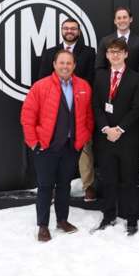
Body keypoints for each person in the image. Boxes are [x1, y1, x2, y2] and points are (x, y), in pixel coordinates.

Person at [21, 49, 93, 242]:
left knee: (64, 185)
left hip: (71, 147)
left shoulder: (83, 86)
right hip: (46, 147)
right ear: (54, 64)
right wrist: (34, 143)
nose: (65, 66)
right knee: (45, 187)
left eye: (69, 63)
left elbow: (88, 116)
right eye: (61, 63)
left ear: (74, 65)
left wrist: (82, 138)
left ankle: (62, 220)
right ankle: (43, 226)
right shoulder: (40, 87)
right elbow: (27, 116)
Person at [38, 17, 97, 201]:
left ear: (79, 31)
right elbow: (41, 80)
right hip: (55, 109)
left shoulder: (89, 52)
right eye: (66, 28)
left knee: (85, 147)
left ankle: (88, 185)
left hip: (79, 106)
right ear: (61, 30)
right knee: (56, 149)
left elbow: (91, 79)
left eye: (73, 28)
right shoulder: (50, 53)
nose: (70, 31)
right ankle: (54, 187)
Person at [92, 38, 139, 234]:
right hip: (106, 138)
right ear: (106, 55)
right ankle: (108, 215)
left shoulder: (136, 78)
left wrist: (119, 129)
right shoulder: (100, 76)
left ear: (126, 54)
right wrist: (106, 129)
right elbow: (96, 106)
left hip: (127, 138)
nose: (115, 55)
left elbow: (137, 108)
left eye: (119, 52)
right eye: (112, 51)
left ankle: (132, 218)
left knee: (129, 180)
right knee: (108, 179)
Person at [95, 6, 139, 73]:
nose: (122, 21)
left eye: (125, 17)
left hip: (133, 79)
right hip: (110, 79)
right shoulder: (105, 41)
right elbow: (99, 67)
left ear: (131, 19)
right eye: (119, 18)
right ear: (115, 21)